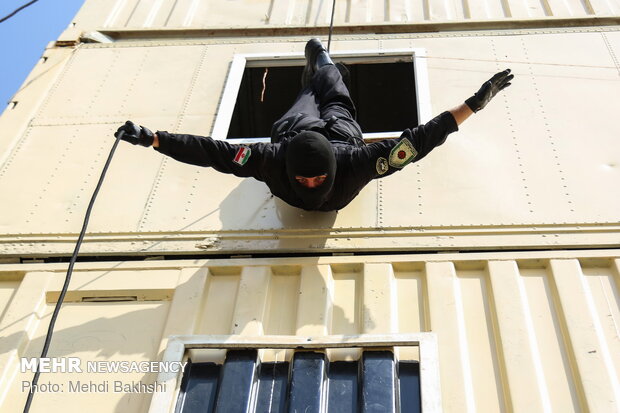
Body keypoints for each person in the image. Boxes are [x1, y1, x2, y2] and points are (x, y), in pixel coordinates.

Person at [115, 39, 513, 211]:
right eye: (304, 181)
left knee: (326, 92)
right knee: (328, 93)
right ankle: (323, 71)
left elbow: (421, 139)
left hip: (329, 139)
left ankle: (321, 65)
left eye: (314, 179)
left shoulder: (351, 160)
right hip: (303, 134)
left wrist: (474, 104)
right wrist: (156, 140)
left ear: (331, 170)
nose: (309, 186)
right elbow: (211, 153)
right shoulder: (274, 160)